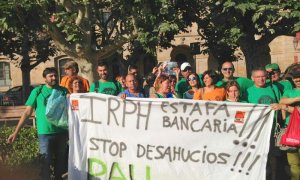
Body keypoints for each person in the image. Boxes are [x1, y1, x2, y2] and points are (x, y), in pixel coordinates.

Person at [7, 67, 69, 180]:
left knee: (61, 163)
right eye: (51, 76)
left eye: (55, 75)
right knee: (45, 162)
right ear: (45, 78)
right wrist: (16, 132)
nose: (54, 78)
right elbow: (27, 112)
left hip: (62, 132)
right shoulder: (37, 91)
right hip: (45, 132)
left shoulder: (64, 91)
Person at [245, 67, 285, 180]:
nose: (261, 79)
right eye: (258, 77)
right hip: (256, 130)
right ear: (252, 78)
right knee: (257, 154)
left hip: (273, 128)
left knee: (272, 155)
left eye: (263, 76)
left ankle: (274, 176)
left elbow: (280, 103)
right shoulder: (248, 91)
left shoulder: (273, 88)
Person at [279, 67, 300, 180]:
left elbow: (284, 105)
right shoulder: (289, 91)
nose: (298, 79)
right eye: (296, 77)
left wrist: (286, 107)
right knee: (293, 164)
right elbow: (282, 101)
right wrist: (297, 98)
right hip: (290, 130)